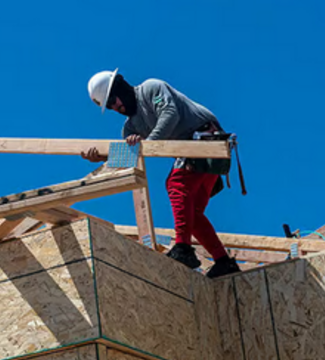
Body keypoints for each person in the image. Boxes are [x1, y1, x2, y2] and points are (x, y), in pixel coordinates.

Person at [83, 68, 240, 279]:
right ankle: (223, 262)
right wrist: (102, 157)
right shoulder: (130, 129)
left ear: (121, 86)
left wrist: (147, 144)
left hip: (205, 140)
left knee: (176, 185)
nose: (115, 106)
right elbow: (128, 159)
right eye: (109, 106)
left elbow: (170, 113)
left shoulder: (150, 88)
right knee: (191, 213)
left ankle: (183, 249)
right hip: (194, 154)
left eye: (113, 99)